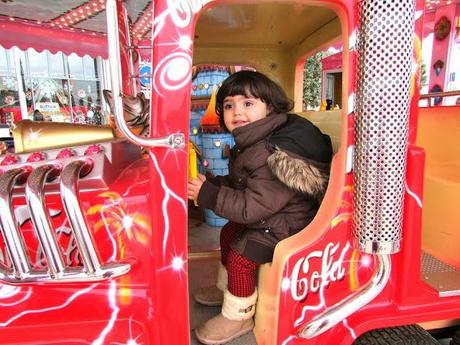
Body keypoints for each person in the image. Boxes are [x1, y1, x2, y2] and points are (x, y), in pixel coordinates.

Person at [187, 70, 333, 344]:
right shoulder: (252, 140)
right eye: (229, 105)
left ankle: (238, 316)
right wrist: (213, 183)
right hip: (271, 215)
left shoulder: (272, 151)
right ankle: (229, 291)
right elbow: (240, 182)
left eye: (248, 103)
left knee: (242, 254)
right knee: (228, 233)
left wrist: (208, 194)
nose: (236, 111)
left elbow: (252, 207)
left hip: (288, 225)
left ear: (270, 107)